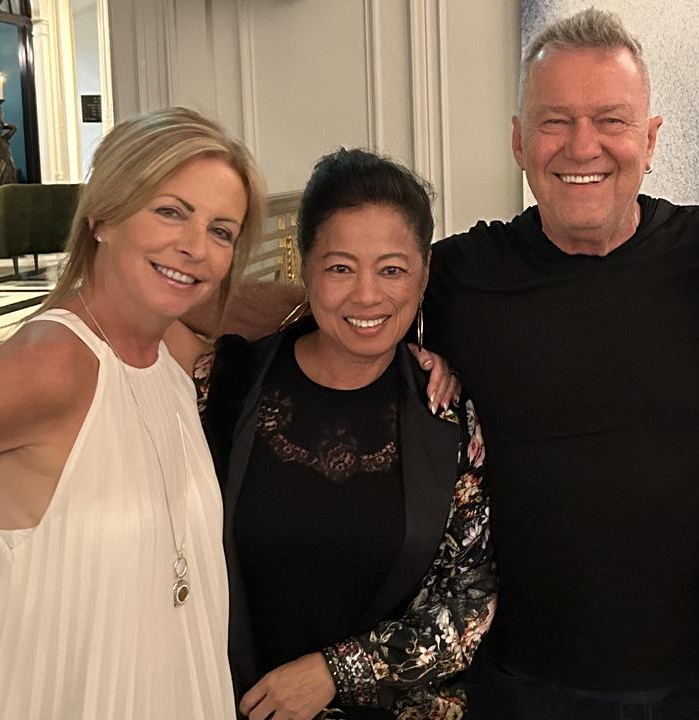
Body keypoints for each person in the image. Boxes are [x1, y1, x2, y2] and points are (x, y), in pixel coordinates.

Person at [195, 9, 699, 718]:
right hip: (522, 686)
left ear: (651, 139)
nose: (581, 145)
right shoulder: (458, 275)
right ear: (521, 142)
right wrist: (241, 307)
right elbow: (350, 291)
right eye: (554, 121)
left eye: (611, 119)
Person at [0, 107, 265, 718]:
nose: (195, 248)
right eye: (170, 211)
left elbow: (276, 312)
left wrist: (405, 336)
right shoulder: (52, 367)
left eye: (222, 231)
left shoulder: (167, 352)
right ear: (103, 216)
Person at [187, 148, 496, 720]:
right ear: (304, 266)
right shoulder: (223, 388)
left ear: (424, 274)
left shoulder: (447, 418)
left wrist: (335, 671)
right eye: (340, 267)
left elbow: (469, 603)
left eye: (392, 269)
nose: (367, 296)